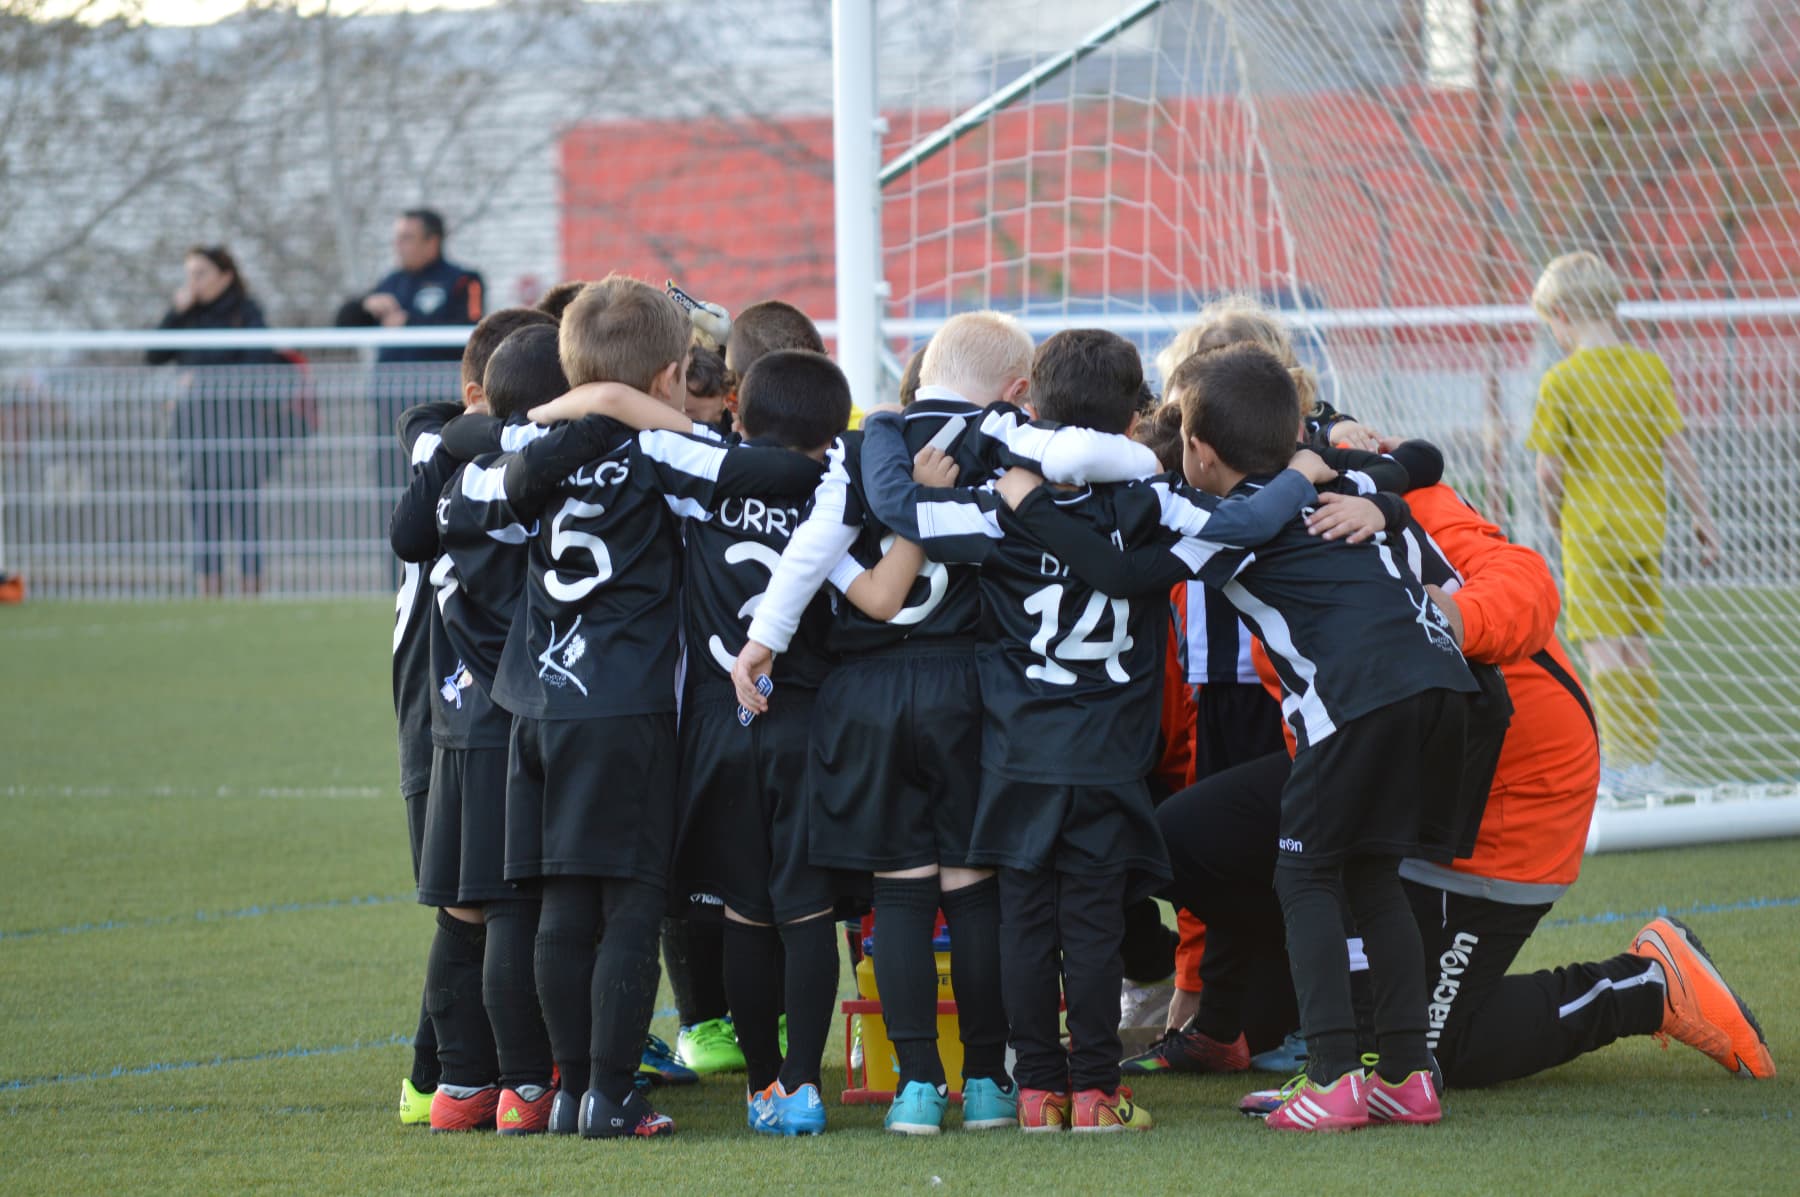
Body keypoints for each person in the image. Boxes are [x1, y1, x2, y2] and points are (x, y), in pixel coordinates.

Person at [847, 330, 1336, 1133]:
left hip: (1019, 750)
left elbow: (908, 513)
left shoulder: (1002, 502)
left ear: (1033, 406)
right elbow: (1245, 524)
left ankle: (1038, 1089)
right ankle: (1097, 1090)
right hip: (1109, 752)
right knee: (1094, 920)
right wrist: (1302, 472)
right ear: (1136, 413)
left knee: (1026, 918)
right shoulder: (1152, 501)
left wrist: (881, 439)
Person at [1001, 342, 1480, 1132]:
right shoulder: (1340, 474)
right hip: (1442, 685)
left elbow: (1121, 575)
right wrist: (1380, 497)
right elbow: (1415, 467)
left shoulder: (1219, 519)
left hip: (1357, 697)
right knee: (1371, 876)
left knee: (1304, 877)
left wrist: (1028, 504)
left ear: (1197, 448)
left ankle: (1332, 1076)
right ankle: (1405, 1075)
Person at [470, 276, 822, 1140]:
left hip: (535, 706)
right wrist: (664, 421)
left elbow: (456, 506)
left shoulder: (523, 442)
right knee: (629, 903)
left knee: (560, 903)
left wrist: (589, 404)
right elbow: (776, 473)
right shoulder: (663, 452)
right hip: (622, 706)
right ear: (670, 374)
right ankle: (612, 1094)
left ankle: (568, 1094)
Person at [666, 349, 929, 1135]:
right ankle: (799, 1084)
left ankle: (759, 1087)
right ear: (832, 431)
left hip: (721, 717)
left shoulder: (705, 476)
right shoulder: (837, 489)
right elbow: (871, 591)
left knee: (747, 911)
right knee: (807, 910)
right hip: (811, 720)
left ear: (739, 412)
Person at [389, 313, 562, 1133]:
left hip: (456, 720)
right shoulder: (533, 480)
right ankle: (526, 1085)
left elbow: (414, 520)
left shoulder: (451, 477)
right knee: (510, 908)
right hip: (512, 716)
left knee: (463, 908)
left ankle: (459, 1087)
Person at [1526, 250, 1720, 794]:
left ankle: (1621, 767)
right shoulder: (1649, 368)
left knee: (1602, 648)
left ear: (1561, 313)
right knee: (1635, 645)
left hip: (1593, 535)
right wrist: (1705, 519)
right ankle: (1647, 761)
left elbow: (1548, 472)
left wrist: (1554, 518)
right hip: (1645, 532)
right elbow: (1677, 450)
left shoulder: (1563, 381)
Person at [147, 245, 285, 597]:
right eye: (189, 274)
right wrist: (174, 313)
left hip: (239, 429)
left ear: (225, 276)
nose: (194, 282)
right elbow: (154, 355)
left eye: (201, 274)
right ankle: (209, 593)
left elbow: (259, 362)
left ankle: (251, 592)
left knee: (244, 515)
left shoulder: (246, 312)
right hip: (195, 429)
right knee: (203, 516)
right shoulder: (187, 314)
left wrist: (205, 378)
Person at [336, 208, 484, 495]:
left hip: (442, 411)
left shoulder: (464, 281)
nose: (398, 246)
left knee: (442, 488)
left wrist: (410, 323)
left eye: (407, 238)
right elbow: (343, 323)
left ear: (432, 242)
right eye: (397, 238)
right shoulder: (392, 282)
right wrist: (365, 306)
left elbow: (472, 331)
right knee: (392, 491)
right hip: (391, 410)